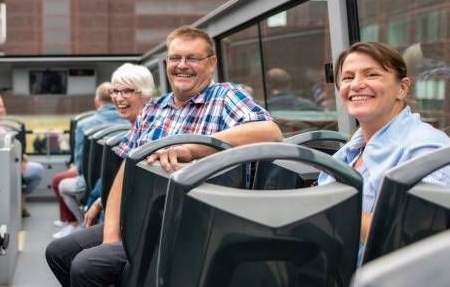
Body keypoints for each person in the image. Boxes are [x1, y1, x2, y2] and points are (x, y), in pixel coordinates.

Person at [46, 25, 282, 287]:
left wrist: (193, 148)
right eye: (175, 58)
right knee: (58, 253)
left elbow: (269, 131)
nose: (182, 65)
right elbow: (127, 169)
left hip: (197, 229)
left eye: (192, 58)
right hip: (145, 221)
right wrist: (112, 234)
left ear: (211, 63)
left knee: (86, 266)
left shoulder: (225, 96)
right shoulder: (155, 108)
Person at [318, 42, 450, 246]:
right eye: (348, 77)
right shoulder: (350, 153)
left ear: (402, 88)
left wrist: (329, 212)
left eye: (372, 74)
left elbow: (418, 242)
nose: (356, 85)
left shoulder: (428, 151)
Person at [52, 81, 125, 238]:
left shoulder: (84, 124)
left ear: (97, 101)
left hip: (91, 182)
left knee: (63, 185)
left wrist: (76, 169)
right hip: (121, 179)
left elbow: (80, 161)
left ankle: (81, 224)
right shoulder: (131, 121)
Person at [0, 92, 43, 217]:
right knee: (38, 171)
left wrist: (21, 158)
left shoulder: (0, 126)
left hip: (12, 164)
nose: (0, 110)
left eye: (2, 106)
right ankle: (21, 198)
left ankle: (20, 198)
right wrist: (18, 163)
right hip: (4, 168)